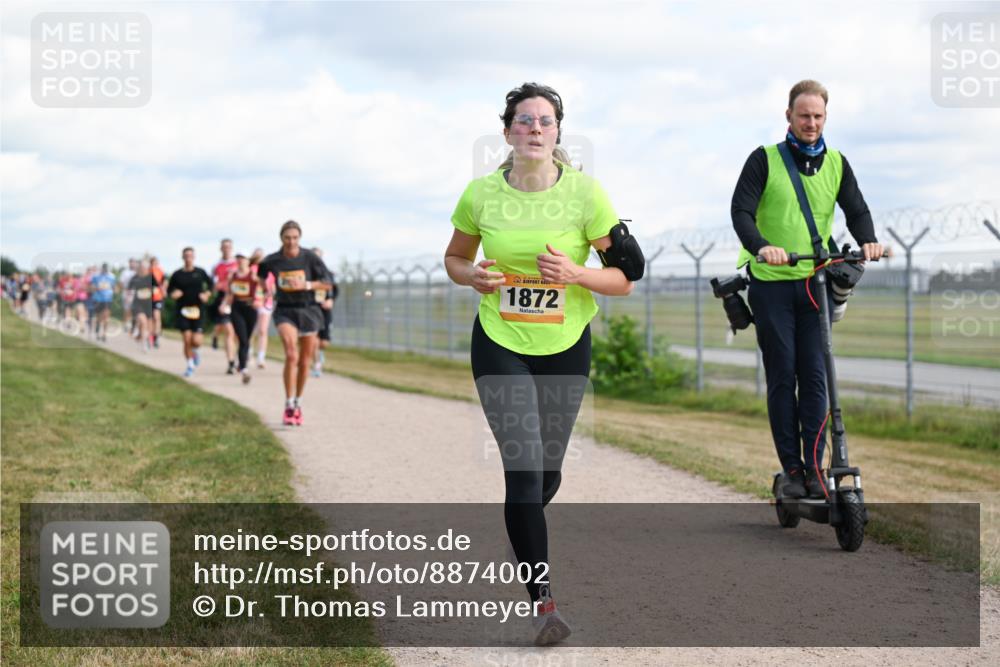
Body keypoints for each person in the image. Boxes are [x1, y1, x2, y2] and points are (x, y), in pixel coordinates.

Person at [444, 82, 635, 646]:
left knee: (548, 472)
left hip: (566, 343)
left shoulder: (585, 195)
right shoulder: (480, 194)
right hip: (500, 340)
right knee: (524, 471)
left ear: (557, 133)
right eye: (523, 120)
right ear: (507, 132)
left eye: (544, 121)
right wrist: (470, 274)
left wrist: (576, 275)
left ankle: (521, 527)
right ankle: (544, 604)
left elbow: (622, 280)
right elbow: (455, 258)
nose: (533, 128)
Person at [731, 79, 883, 499]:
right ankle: (792, 470)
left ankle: (816, 470)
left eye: (818, 116)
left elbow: (857, 209)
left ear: (825, 118)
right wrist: (762, 247)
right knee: (783, 375)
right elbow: (741, 211)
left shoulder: (837, 163)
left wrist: (868, 239)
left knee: (816, 376)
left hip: (816, 281)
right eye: (804, 115)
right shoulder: (763, 160)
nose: (811, 123)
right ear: (788, 116)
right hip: (772, 285)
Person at [257, 221, 333, 426]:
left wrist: (306, 284)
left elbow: (327, 282)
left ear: (300, 238)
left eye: (295, 237)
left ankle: (298, 401)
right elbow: (261, 274)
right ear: (281, 238)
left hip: (308, 310)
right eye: (287, 237)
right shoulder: (273, 260)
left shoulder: (310, 258)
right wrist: (267, 290)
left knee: (305, 360)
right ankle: (289, 403)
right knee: (291, 354)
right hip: (285, 311)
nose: (291, 241)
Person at [167, 247, 212, 377]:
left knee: (196, 341)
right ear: (182, 257)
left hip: (198, 310)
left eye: (190, 256)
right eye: (186, 256)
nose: (188, 258)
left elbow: (210, 285)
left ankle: (195, 352)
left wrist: (207, 294)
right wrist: (173, 294)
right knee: (187, 339)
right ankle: (190, 365)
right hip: (183, 310)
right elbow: (170, 290)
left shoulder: (200, 272)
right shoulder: (177, 274)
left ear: (194, 257)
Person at [224, 252, 262, 384]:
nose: (240, 261)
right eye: (238, 259)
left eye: (242, 259)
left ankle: (241, 364)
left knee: (247, 338)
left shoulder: (253, 275)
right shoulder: (232, 275)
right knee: (242, 339)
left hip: (250, 308)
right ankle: (244, 369)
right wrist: (224, 304)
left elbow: (266, 289)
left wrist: (259, 300)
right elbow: (229, 293)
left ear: (248, 261)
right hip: (237, 307)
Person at [210, 239, 239, 373]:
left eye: (229, 247)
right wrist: (217, 287)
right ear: (220, 248)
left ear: (231, 248)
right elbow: (214, 285)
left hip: (237, 299)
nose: (226, 249)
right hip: (223, 298)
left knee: (235, 332)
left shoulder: (237, 263)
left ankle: (215, 336)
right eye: (224, 247)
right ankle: (231, 362)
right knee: (228, 330)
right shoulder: (217, 266)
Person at [310, 247, 338, 377]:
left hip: (325, 310)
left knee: (324, 342)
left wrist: (331, 300)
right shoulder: (307, 275)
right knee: (313, 339)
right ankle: (316, 365)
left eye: (319, 256)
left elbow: (335, 291)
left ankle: (319, 354)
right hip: (310, 310)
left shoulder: (328, 274)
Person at [250, 248, 274, 369]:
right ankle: (249, 354)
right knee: (252, 330)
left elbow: (272, 287)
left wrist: (270, 293)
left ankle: (261, 357)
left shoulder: (270, 271)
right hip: (253, 302)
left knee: (263, 330)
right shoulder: (251, 269)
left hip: (266, 303)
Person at [127, 260, 155, 352]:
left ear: (147, 269)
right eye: (140, 268)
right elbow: (129, 290)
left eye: (144, 268)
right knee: (143, 322)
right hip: (137, 304)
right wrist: (129, 297)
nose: (142, 270)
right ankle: (144, 344)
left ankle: (144, 337)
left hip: (148, 304)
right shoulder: (135, 278)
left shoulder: (151, 277)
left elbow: (158, 288)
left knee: (149, 326)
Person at [89, 263, 117, 342]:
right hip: (98, 299)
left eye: (106, 269)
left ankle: (104, 334)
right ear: (102, 269)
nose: (105, 270)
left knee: (106, 317)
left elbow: (114, 287)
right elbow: (92, 287)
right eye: (104, 269)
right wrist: (97, 287)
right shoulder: (96, 276)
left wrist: (114, 291)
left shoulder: (112, 276)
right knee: (98, 317)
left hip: (107, 299)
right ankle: (97, 330)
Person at [149, 256, 166, 348]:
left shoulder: (160, 271)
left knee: (157, 317)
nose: (155, 264)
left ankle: (156, 336)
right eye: (153, 262)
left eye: (156, 262)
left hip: (158, 297)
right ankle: (151, 335)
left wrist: (164, 290)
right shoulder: (147, 271)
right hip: (148, 298)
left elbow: (164, 282)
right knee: (151, 319)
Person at [120, 258, 137, 337]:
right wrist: (126, 291)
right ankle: (126, 323)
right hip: (127, 292)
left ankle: (132, 325)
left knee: (134, 310)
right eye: (131, 263)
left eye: (134, 263)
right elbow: (121, 283)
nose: (132, 264)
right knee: (127, 309)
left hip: (135, 293)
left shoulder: (138, 272)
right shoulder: (125, 272)